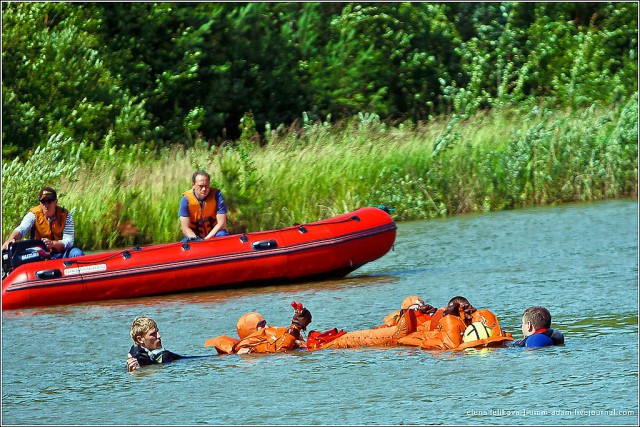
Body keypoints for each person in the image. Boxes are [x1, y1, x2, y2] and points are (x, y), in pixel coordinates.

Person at [1, 186, 84, 258]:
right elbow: (22, 229)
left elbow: (69, 241)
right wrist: (11, 239)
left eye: (50, 201)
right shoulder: (33, 214)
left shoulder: (66, 216)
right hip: (39, 253)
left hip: (62, 252)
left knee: (77, 253)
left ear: (56, 202)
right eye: (43, 201)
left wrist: (53, 244)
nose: (46, 205)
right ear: (40, 203)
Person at [204, 305, 313, 354]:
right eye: (261, 325)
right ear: (250, 332)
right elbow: (281, 349)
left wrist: (301, 319)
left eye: (265, 323)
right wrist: (295, 326)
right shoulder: (250, 347)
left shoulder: (269, 337)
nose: (266, 327)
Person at [179, 170, 229, 242]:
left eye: (207, 186)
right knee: (183, 246)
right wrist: (197, 240)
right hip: (194, 236)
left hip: (215, 233)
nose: (204, 189)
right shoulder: (186, 199)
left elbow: (222, 223)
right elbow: (185, 228)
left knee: (223, 236)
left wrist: (206, 240)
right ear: (193, 185)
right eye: (200, 186)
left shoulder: (217, 195)